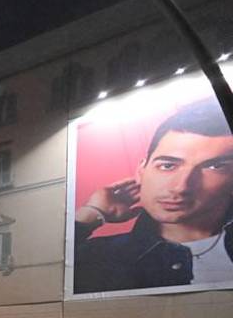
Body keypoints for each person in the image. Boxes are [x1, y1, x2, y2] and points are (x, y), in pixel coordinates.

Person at [73, 98, 233, 294]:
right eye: (167, 165)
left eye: (214, 167)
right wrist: (91, 214)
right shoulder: (98, 257)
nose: (181, 187)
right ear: (142, 170)